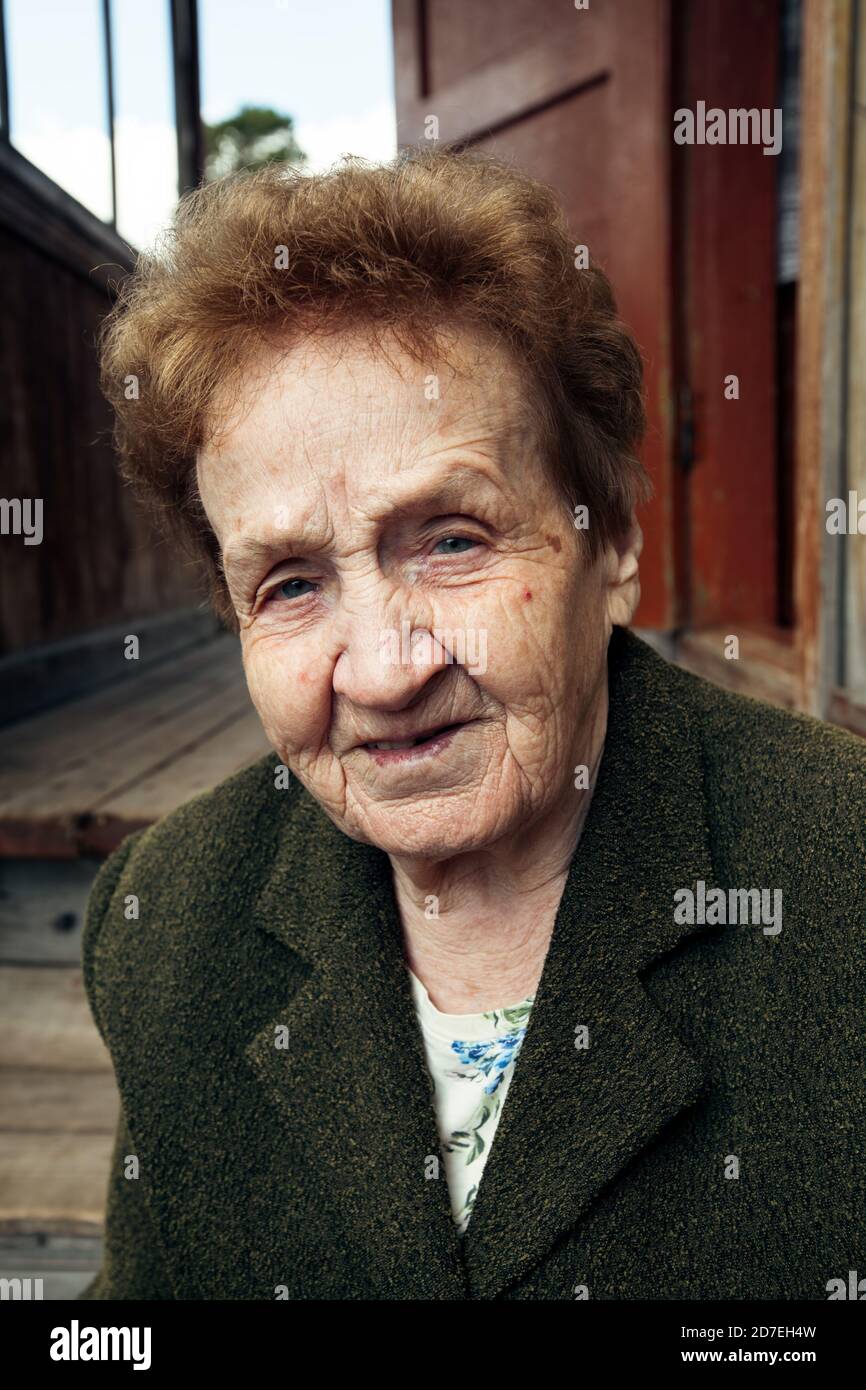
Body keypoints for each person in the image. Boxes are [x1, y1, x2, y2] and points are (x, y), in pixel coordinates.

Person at [79, 147, 865, 1300]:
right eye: (290, 583)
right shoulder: (170, 921)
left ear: (612, 548)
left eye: (451, 539)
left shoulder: (839, 885)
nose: (387, 671)